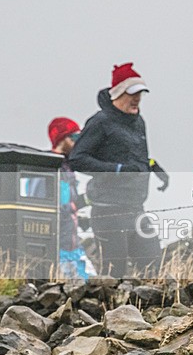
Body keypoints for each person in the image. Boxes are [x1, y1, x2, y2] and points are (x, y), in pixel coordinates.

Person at [69, 63, 168, 278]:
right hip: (108, 211)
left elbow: (133, 157)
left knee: (153, 269)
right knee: (115, 274)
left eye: (140, 93)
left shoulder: (138, 121)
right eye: (132, 93)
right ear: (117, 94)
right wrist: (116, 170)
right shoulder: (100, 121)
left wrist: (153, 167)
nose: (137, 98)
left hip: (136, 208)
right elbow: (77, 159)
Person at [46, 117, 95, 280]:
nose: (78, 143)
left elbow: (68, 204)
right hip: (57, 248)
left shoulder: (68, 167)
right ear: (61, 139)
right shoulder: (46, 168)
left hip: (72, 245)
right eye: (74, 137)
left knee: (93, 285)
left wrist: (86, 203)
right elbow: (48, 207)